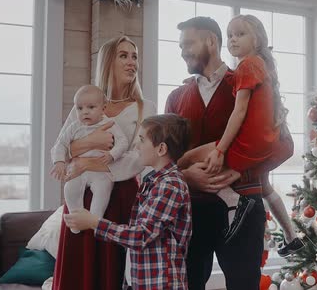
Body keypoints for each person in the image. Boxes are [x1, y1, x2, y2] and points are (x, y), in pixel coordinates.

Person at [165, 16, 294, 290]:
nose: (183, 51)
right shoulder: (176, 97)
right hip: (190, 211)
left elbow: (282, 145)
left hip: (243, 208)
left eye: (188, 43)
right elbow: (164, 159)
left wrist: (237, 168)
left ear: (211, 41)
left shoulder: (248, 81)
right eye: (181, 45)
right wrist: (187, 177)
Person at [52, 36, 156, 290]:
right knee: (78, 271)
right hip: (80, 196)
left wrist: (87, 164)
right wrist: (86, 146)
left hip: (120, 199)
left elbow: (140, 158)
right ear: (108, 61)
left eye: (135, 56)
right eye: (124, 56)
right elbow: (64, 147)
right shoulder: (85, 105)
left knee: (111, 270)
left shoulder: (146, 108)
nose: (132, 62)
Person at [64, 114, 193, 290]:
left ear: (161, 148)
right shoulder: (152, 182)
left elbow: (141, 236)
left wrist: (94, 222)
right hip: (141, 281)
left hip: (161, 284)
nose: (136, 145)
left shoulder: (170, 185)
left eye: (141, 140)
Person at [50, 85, 128, 233]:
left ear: (103, 108)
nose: (85, 111)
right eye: (79, 108)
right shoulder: (74, 126)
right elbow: (61, 144)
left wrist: (113, 154)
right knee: (70, 188)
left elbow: (123, 142)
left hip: (100, 171)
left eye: (91, 107)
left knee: (103, 189)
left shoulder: (109, 124)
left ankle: (94, 220)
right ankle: (76, 217)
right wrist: (59, 161)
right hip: (78, 171)